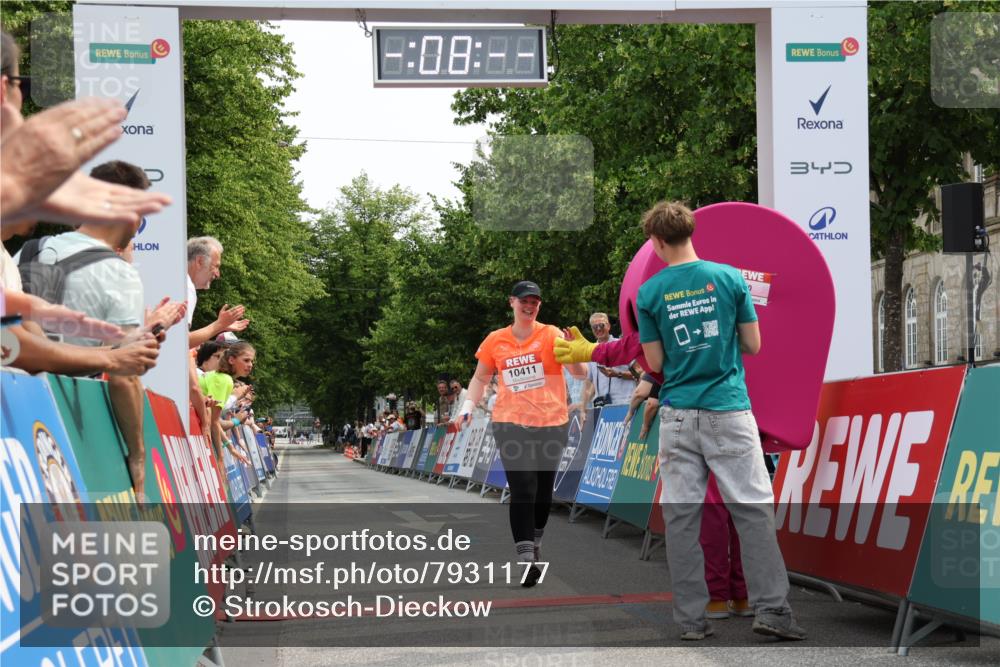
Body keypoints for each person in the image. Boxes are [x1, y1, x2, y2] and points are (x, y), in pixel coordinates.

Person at [636, 201, 804, 641]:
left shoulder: (650, 293)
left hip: (676, 413)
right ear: (692, 233)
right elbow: (753, 344)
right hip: (727, 408)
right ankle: (773, 611)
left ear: (656, 241)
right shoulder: (729, 278)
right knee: (752, 511)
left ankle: (692, 621)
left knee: (682, 519)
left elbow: (654, 362)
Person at [453, 281, 587, 587]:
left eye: (535, 302)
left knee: (543, 495)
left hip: (552, 422)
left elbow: (579, 374)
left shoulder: (551, 334)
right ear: (511, 302)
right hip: (510, 422)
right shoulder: (495, 340)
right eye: (524, 301)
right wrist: (468, 407)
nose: (530, 306)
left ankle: (536, 540)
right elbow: (479, 378)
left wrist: (576, 352)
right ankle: (526, 559)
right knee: (523, 488)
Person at [580, 312, 638, 412]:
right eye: (595, 327)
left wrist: (618, 374)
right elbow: (588, 383)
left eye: (601, 325)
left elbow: (639, 373)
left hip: (624, 403)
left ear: (608, 326)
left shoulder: (622, 345)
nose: (598, 329)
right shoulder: (590, 350)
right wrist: (583, 408)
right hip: (601, 408)